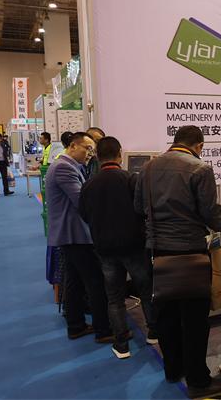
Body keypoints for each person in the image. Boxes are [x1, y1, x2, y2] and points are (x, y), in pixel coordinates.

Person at [134, 125, 221, 397]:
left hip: (158, 253)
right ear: (199, 145)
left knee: (166, 316)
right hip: (191, 253)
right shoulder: (200, 169)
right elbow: (211, 215)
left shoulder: (148, 168)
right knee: (195, 320)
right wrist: (217, 224)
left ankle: (173, 369)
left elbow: (138, 208)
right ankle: (199, 380)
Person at [79, 136, 157, 359]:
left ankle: (122, 344)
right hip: (134, 246)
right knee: (146, 291)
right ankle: (154, 333)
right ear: (120, 154)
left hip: (105, 249)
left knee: (114, 298)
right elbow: (145, 210)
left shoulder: (88, 185)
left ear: (98, 156)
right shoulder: (131, 180)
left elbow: (84, 214)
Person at [45, 132, 112, 341]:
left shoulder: (68, 166)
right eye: (87, 148)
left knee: (74, 281)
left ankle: (76, 326)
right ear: (73, 146)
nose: (90, 154)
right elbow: (82, 200)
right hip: (75, 234)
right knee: (95, 281)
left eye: (93, 150)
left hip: (71, 234)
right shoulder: (64, 167)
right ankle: (104, 330)